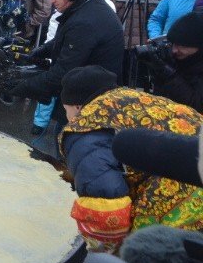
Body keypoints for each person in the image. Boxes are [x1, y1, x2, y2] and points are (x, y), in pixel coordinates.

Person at [57, 65, 203, 253]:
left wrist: (96, 255)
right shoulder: (134, 98)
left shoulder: (85, 126)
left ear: (77, 106)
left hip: (184, 207)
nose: (68, 117)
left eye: (65, 109)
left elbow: (106, 206)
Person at [2, 0, 125, 127]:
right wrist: (37, 53)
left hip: (88, 104)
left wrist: (22, 86)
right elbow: (64, 40)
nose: (52, 1)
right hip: (83, 94)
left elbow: (62, 73)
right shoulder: (86, 7)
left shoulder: (86, 21)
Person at [142, 12, 203, 113]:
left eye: (182, 46)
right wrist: (157, 68)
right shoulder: (178, 58)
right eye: (173, 44)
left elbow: (196, 106)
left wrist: (169, 74)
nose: (174, 50)